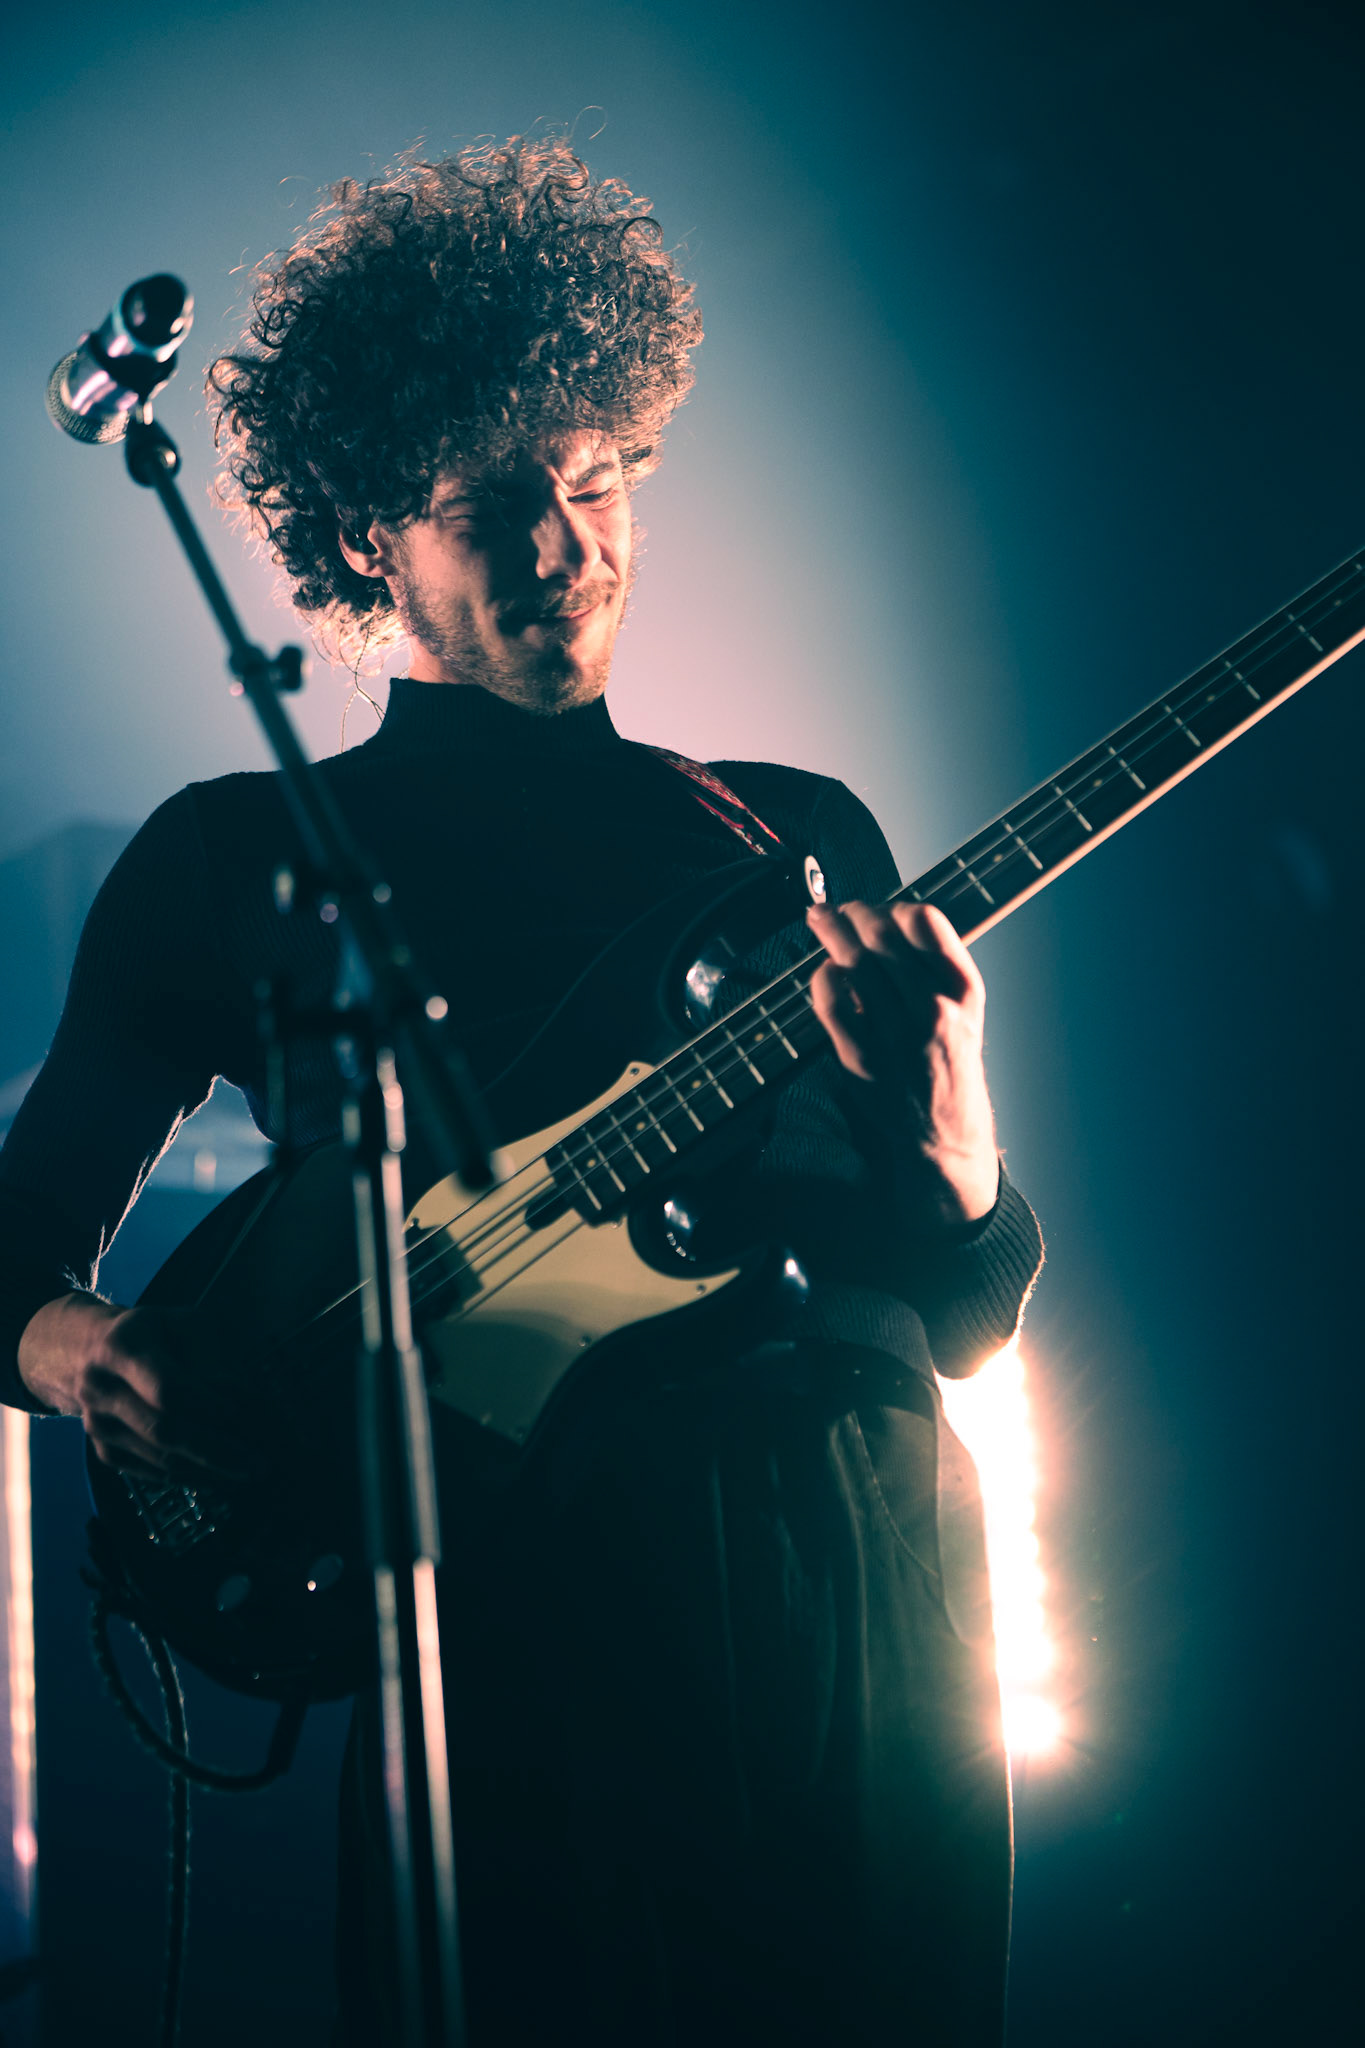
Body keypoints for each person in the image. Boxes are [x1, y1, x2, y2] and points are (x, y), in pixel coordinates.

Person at [0, 137, 1044, 2045]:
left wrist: (947, 1118)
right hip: (508, 1607)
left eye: (593, 482)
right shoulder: (241, 856)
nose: (565, 545)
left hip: (865, 1570)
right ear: (363, 534)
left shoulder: (789, 837)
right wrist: (81, 1349)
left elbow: (958, 1308)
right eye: (493, 502)